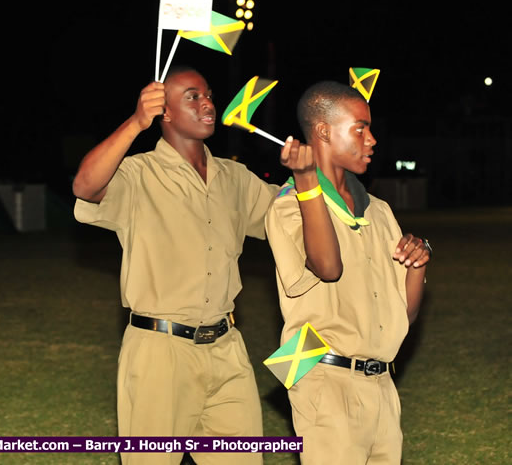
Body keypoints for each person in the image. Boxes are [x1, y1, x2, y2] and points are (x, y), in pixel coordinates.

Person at [72, 67, 301, 465]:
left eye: (208, 94)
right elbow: (85, 187)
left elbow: (291, 215)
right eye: (192, 96)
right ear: (166, 113)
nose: (208, 103)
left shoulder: (234, 178)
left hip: (227, 349)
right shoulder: (138, 174)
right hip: (160, 353)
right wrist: (134, 122)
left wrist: (307, 176)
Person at [265, 81, 430, 464]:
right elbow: (327, 266)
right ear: (323, 131)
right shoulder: (289, 204)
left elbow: (403, 315)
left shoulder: (379, 211)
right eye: (360, 128)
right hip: (325, 379)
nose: (372, 139)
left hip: (381, 384)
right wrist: (307, 182)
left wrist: (419, 264)